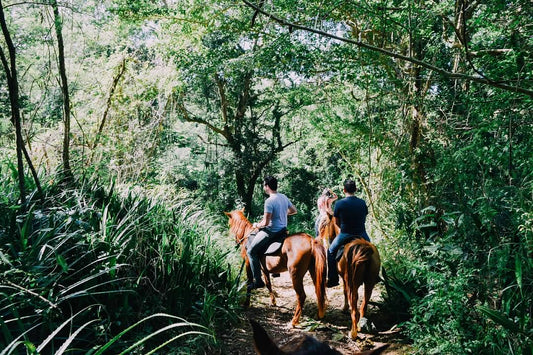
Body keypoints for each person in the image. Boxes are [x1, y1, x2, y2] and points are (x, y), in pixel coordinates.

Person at [248, 175, 297, 290]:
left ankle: (258, 281)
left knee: (251, 251)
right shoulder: (283, 197)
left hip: (271, 231)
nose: (264, 187)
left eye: (264, 185)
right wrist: (281, 214)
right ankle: (273, 270)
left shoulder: (269, 201)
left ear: (267, 186)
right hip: (283, 230)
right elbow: (294, 211)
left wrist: (256, 225)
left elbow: (265, 222)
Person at [327, 178, 370, 288]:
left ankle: (333, 279)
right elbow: (364, 217)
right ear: (355, 189)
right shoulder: (362, 202)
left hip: (345, 233)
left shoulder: (339, 204)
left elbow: (336, 222)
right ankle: (373, 276)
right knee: (372, 251)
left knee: (330, 251)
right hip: (361, 233)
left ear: (344, 190)